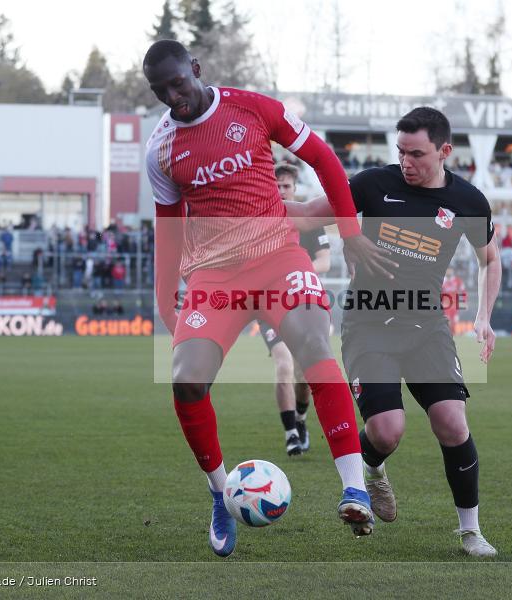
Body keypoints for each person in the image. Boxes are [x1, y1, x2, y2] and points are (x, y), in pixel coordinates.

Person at [143, 39, 396, 557]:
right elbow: (168, 230)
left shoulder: (253, 108)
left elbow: (323, 159)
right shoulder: (160, 149)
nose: (174, 97)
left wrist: (349, 233)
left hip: (279, 258)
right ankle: (221, 494)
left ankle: (354, 489)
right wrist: (166, 303)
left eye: (179, 83)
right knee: (186, 382)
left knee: (314, 347)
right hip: (215, 277)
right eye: (160, 91)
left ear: (196, 68)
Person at [286, 107, 501, 556]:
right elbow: (306, 215)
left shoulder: (469, 201)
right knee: (386, 431)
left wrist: (484, 315)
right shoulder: (373, 184)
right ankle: (373, 469)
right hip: (369, 324)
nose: (406, 162)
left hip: (427, 325)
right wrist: (242, 203)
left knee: (452, 423)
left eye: (416, 154)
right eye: (400, 151)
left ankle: (471, 532)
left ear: (444, 151)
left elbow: (490, 259)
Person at [258, 163, 332, 457]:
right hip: (271, 304)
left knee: (303, 374)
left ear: (294, 188)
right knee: (284, 365)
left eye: (286, 186)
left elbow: (325, 261)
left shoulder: (307, 220)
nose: (281, 190)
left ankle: (301, 419)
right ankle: (290, 433)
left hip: (304, 303)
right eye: (276, 185)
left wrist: (293, 271)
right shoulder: (260, 221)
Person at [441, 266, 467, 335]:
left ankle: (454, 334)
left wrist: (464, 301)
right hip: (445, 304)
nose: (449, 272)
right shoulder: (442, 281)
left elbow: (463, 291)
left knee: (455, 319)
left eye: (450, 271)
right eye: (447, 271)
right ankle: (447, 333)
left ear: (452, 272)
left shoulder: (458, 281)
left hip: (455, 304)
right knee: (447, 319)